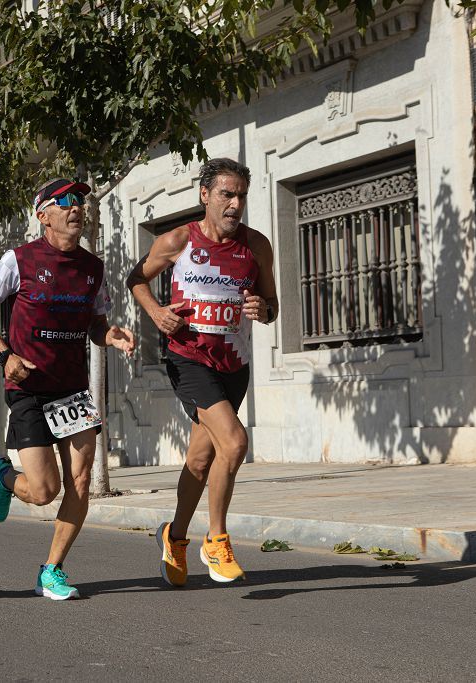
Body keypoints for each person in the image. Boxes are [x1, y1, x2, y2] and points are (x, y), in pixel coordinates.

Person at [0, 178, 136, 601]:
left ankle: (52, 569)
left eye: (80, 200)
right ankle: (4, 477)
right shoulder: (20, 260)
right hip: (28, 386)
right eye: (65, 201)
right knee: (44, 491)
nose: (77, 207)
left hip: (73, 390)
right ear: (43, 214)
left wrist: (110, 334)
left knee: (80, 479)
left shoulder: (93, 269)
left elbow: (96, 325)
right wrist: (4, 354)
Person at [126, 158, 278, 586]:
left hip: (234, 363)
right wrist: (156, 312)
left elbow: (273, 304)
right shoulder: (178, 241)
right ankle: (216, 539)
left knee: (200, 457)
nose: (235, 204)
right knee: (234, 441)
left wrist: (263, 309)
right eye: (227, 194)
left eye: (241, 196)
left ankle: (174, 537)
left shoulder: (257, 247)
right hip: (188, 358)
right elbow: (135, 278)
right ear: (205, 195)